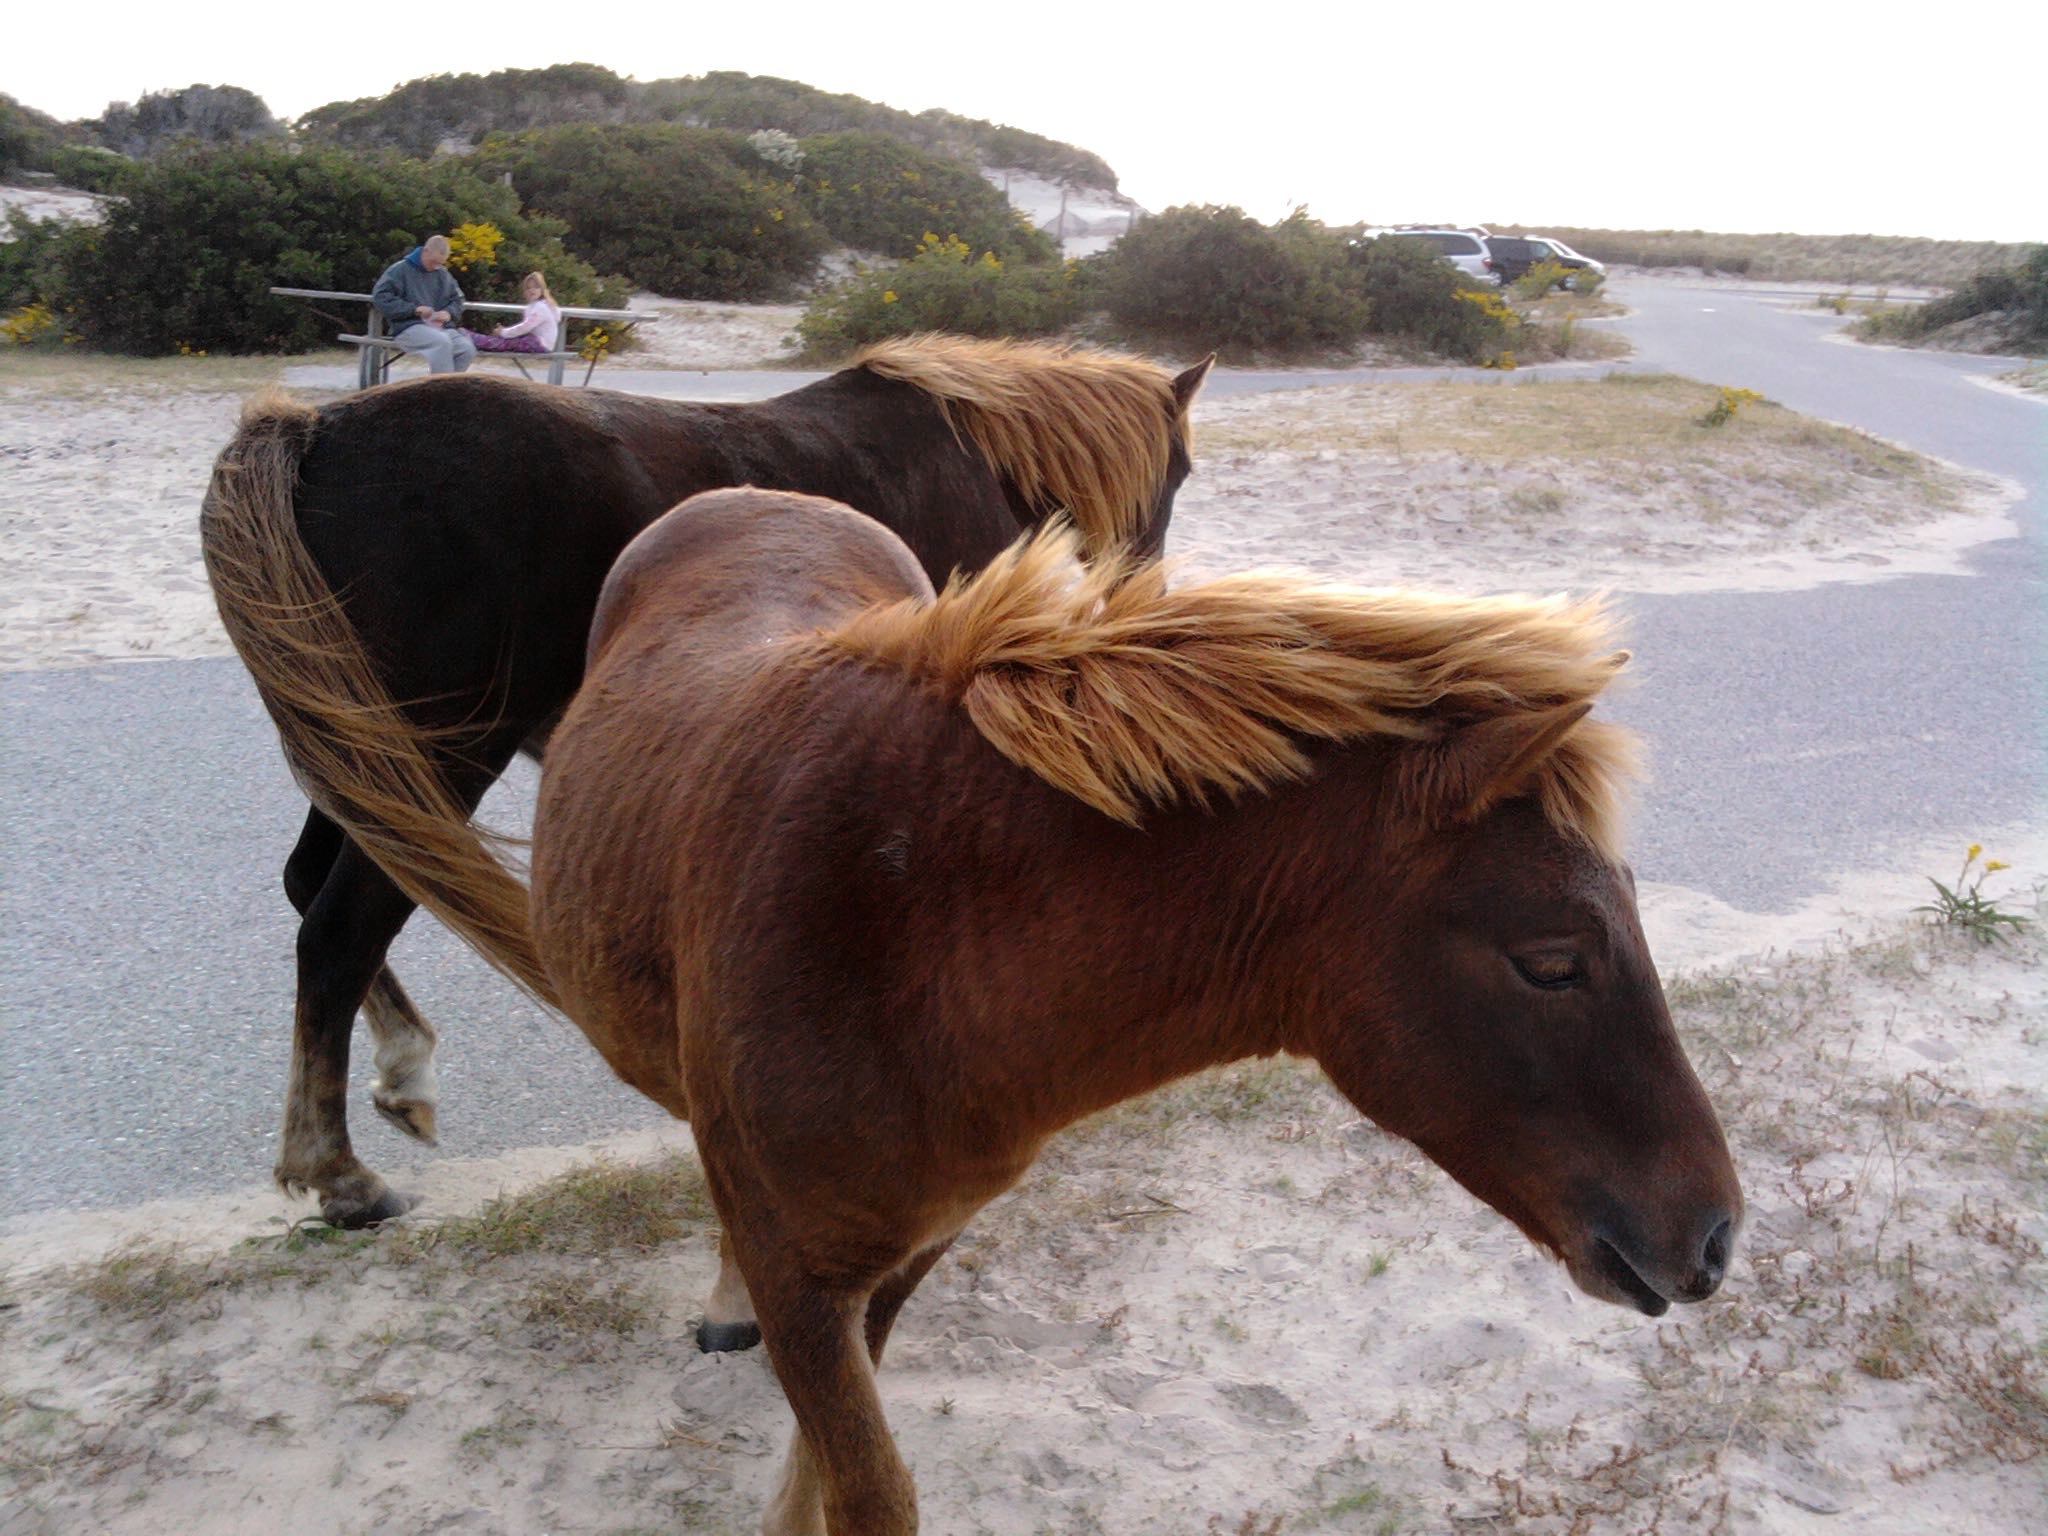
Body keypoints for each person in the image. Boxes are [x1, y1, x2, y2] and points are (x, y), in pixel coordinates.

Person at [370, 234, 475, 374]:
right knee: (441, 342)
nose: (436, 267)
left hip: (440, 328)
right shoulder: (399, 270)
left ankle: (449, 389)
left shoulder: (443, 274)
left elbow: (458, 299)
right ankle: (440, 390)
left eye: (440, 264)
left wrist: (449, 313)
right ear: (425, 251)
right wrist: (414, 310)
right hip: (408, 327)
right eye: (433, 262)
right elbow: (380, 297)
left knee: (466, 349)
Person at [465, 271, 562, 355]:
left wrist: (503, 332)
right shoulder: (537, 306)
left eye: (536, 287)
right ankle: (475, 338)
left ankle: (474, 338)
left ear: (542, 289)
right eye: (528, 288)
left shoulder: (540, 307)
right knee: (508, 342)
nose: (531, 290)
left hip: (540, 344)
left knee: (507, 344)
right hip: (539, 343)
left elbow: (525, 327)